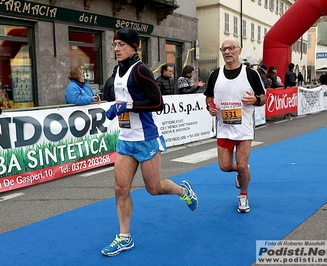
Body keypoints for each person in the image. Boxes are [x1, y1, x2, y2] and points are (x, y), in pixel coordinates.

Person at [101, 28, 198, 257]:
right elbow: (110, 94)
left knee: (153, 189)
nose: (116, 48)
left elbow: (157, 103)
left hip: (146, 139)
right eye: (115, 44)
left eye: (121, 45)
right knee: (120, 189)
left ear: (134, 46)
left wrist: (129, 106)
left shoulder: (141, 70)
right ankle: (124, 237)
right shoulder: (117, 70)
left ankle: (184, 191)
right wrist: (113, 106)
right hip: (126, 140)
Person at [204, 38, 267, 213]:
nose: (227, 52)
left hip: (244, 128)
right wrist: (210, 107)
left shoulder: (251, 74)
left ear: (239, 50)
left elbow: (264, 98)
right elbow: (209, 98)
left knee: (240, 165)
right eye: (224, 49)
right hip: (224, 128)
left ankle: (243, 195)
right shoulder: (215, 75)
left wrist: (255, 100)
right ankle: (244, 171)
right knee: (225, 167)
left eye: (231, 48)